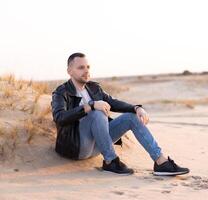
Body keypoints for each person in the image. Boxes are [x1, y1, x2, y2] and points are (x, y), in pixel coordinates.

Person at [51, 52, 189, 176]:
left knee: (131, 117)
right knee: (97, 113)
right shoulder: (61, 92)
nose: (86, 71)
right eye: (81, 68)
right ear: (69, 71)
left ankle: (161, 162)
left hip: (98, 145)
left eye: (88, 67)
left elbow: (114, 102)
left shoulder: (93, 87)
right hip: (76, 147)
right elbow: (59, 118)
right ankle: (111, 161)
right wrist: (91, 106)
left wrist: (136, 108)